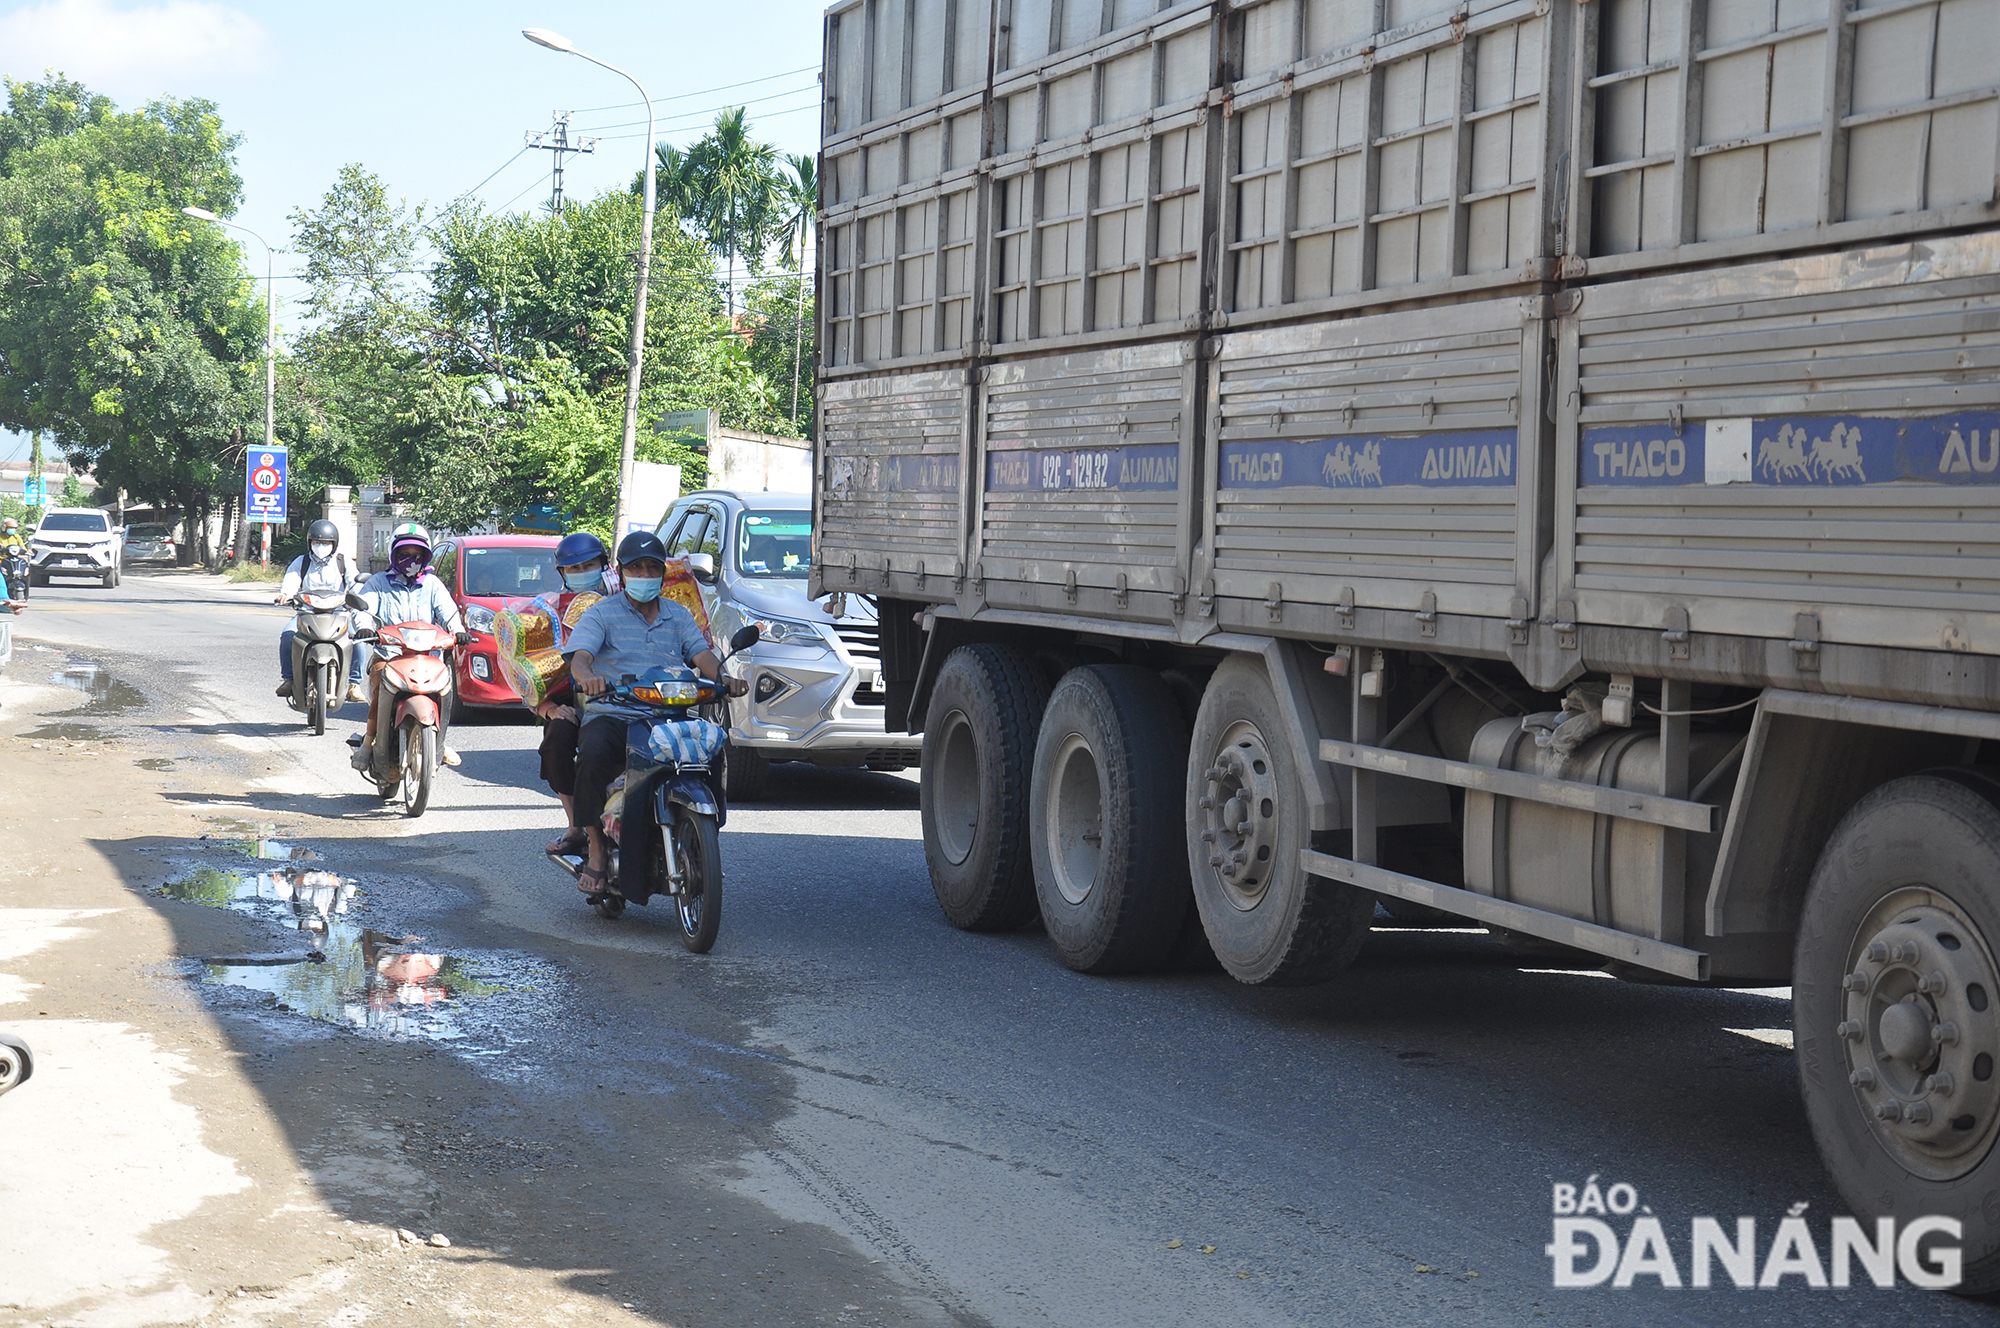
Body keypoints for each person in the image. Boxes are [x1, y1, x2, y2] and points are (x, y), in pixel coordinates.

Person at [564, 531, 747, 894]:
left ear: (662, 573)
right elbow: (580, 657)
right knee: (592, 755)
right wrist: (588, 678)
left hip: (668, 715)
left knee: (709, 752)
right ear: (621, 572)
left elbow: (701, 654)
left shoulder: (678, 615)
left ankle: (694, 830)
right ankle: (597, 850)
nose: (644, 575)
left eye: (652, 568)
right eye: (636, 568)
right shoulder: (601, 614)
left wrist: (724, 678)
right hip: (614, 712)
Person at [351, 522, 467, 770]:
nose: (411, 560)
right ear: (394, 555)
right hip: (390, 656)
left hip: (427, 658)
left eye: (417, 555)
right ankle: (369, 741)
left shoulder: (433, 584)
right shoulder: (378, 582)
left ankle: (440, 741)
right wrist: (364, 626)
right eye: (404, 555)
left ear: (425, 556)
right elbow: (364, 608)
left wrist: (458, 631)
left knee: (445, 688)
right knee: (382, 682)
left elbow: (448, 612)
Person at [535, 531, 609, 856]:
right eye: (574, 569)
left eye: (589, 566)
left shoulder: (625, 601)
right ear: (562, 573)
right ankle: (576, 825)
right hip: (573, 699)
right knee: (557, 741)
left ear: (604, 566)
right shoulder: (547, 611)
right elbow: (527, 670)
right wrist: (548, 707)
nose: (582, 573)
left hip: (629, 694)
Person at [274, 518, 366, 703]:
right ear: (310, 542)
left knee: (358, 641)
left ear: (334, 544)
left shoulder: (343, 562)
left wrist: (359, 598)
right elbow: (291, 581)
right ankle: (289, 679)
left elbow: (355, 584)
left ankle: (353, 684)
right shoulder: (302, 562)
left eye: (325, 542)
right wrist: (286, 594)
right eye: (317, 542)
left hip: (338, 614)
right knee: (287, 636)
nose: (321, 546)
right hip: (307, 613)